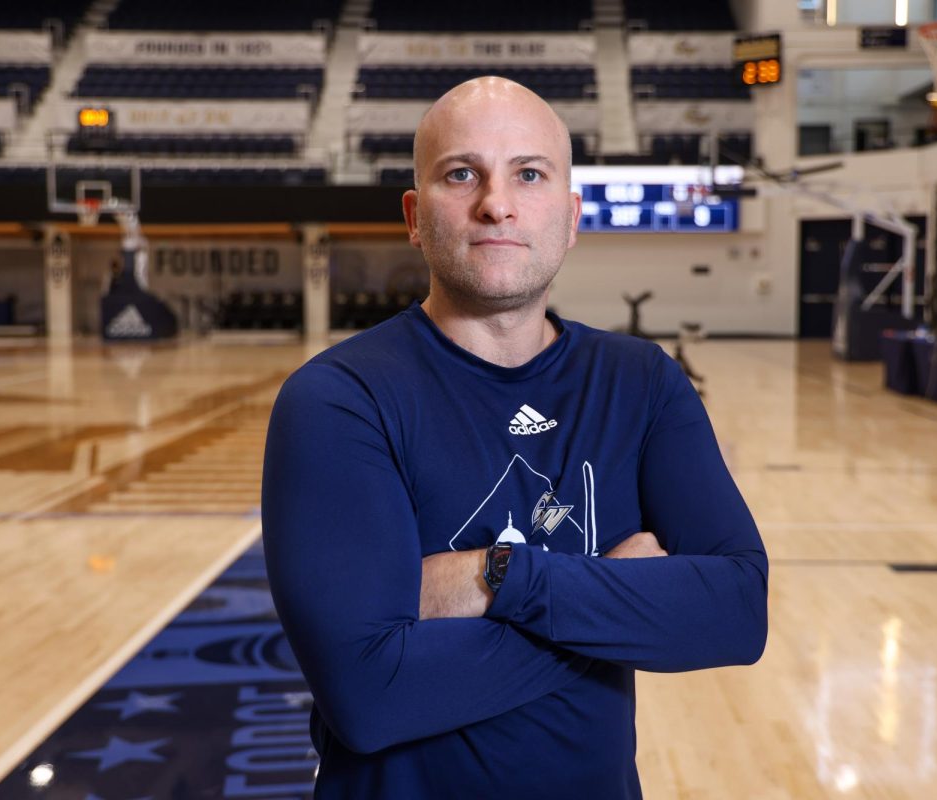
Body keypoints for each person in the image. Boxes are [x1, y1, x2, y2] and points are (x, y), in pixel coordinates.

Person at [261, 77, 768, 799]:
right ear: (413, 215)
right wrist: (615, 596)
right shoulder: (340, 398)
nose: (496, 203)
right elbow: (370, 697)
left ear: (570, 216)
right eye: (460, 173)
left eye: (528, 174)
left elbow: (738, 613)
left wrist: (495, 577)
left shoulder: (641, 383)